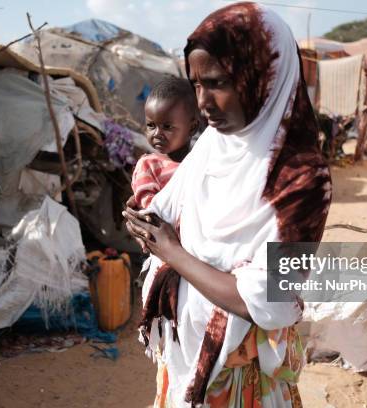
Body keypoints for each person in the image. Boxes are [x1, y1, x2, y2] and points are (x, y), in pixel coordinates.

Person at [124, 3, 332, 407]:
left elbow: (263, 301)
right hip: (186, 355)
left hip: (238, 377)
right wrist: (145, 224)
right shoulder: (214, 147)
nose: (203, 102)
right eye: (196, 84)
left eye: (218, 83)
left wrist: (170, 250)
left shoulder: (302, 180)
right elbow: (169, 209)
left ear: (264, 75)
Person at [132, 76, 200, 210]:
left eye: (167, 127)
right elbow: (149, 207)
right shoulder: (148, 165)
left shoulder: (199, 162)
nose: (157, 133)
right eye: (151, 125)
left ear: (192, 128)